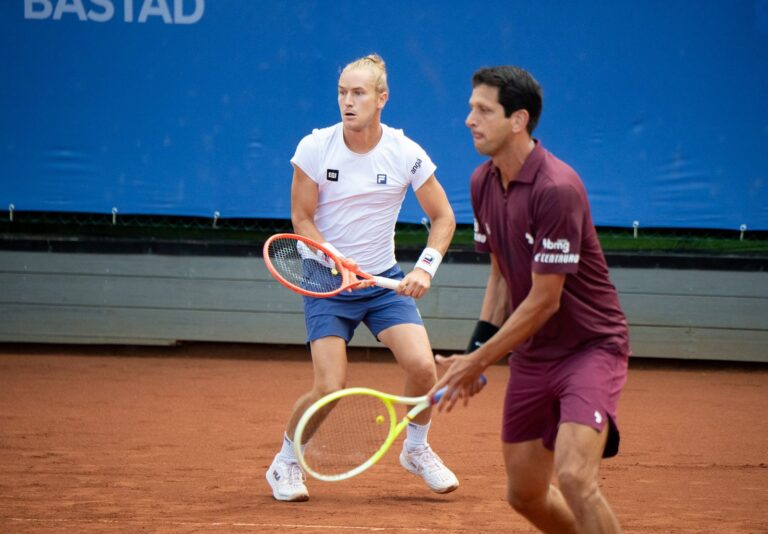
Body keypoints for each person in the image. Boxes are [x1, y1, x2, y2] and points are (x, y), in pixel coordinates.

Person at [431, 66, 630, 533]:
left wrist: (477, 362)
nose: (469, 119)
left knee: (576, 477)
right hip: (533, 357)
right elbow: (501, 274)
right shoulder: (483, 182)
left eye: (483, 110)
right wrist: (475, 349)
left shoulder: (556, 189)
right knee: (525, 494)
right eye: (470, 107)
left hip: (589, 349)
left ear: (518, 120)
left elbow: (545, 301)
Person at [266, 54, 458, 502]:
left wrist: (424, 269)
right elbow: (301, 217)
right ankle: (286, 462)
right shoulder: (315, 148)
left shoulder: (405, 153)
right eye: (342, 93)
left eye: (358, 93)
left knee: (423, 368)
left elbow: (443, 217)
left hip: (381, 280)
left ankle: (415, 450)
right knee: (330, 387)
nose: (347, 102)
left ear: (381, 98)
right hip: (326, 282)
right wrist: (333, 259)